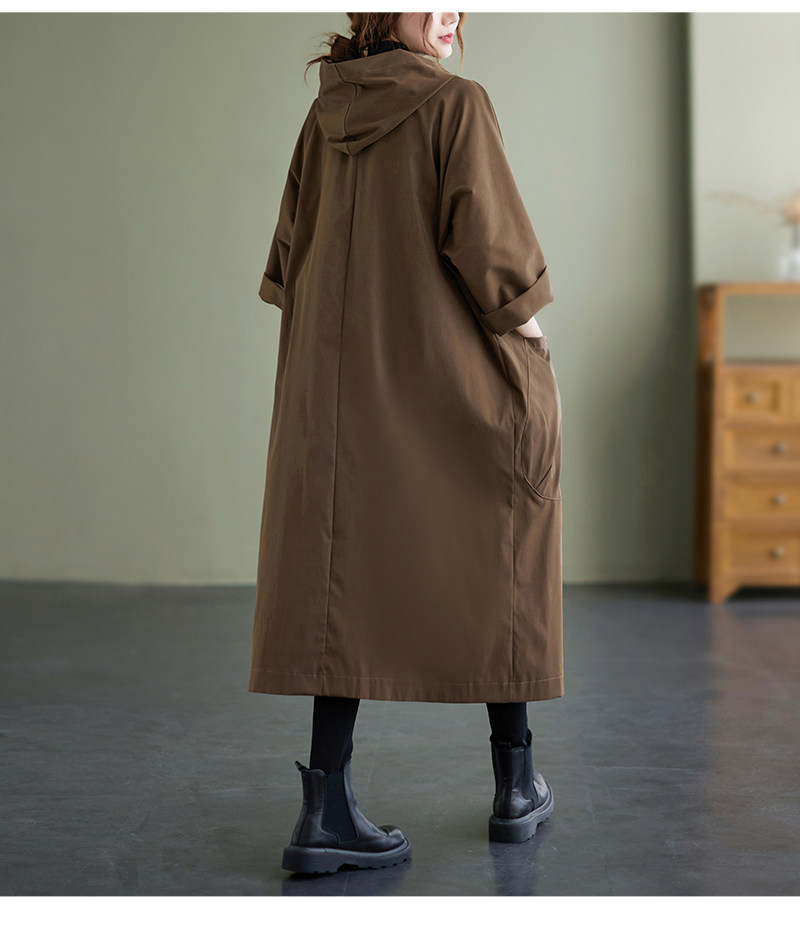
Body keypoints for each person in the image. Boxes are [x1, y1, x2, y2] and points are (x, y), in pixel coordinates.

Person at [249, 12, 564, 875]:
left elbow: (288, 260)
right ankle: (515, 785)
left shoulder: (324, 114)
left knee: (338, 571)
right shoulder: (456, 103)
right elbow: (494, 255)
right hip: (443, 378)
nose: (454, 13)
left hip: (334, 398)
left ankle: (324, 807)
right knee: (503, 541)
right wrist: (536, 344)